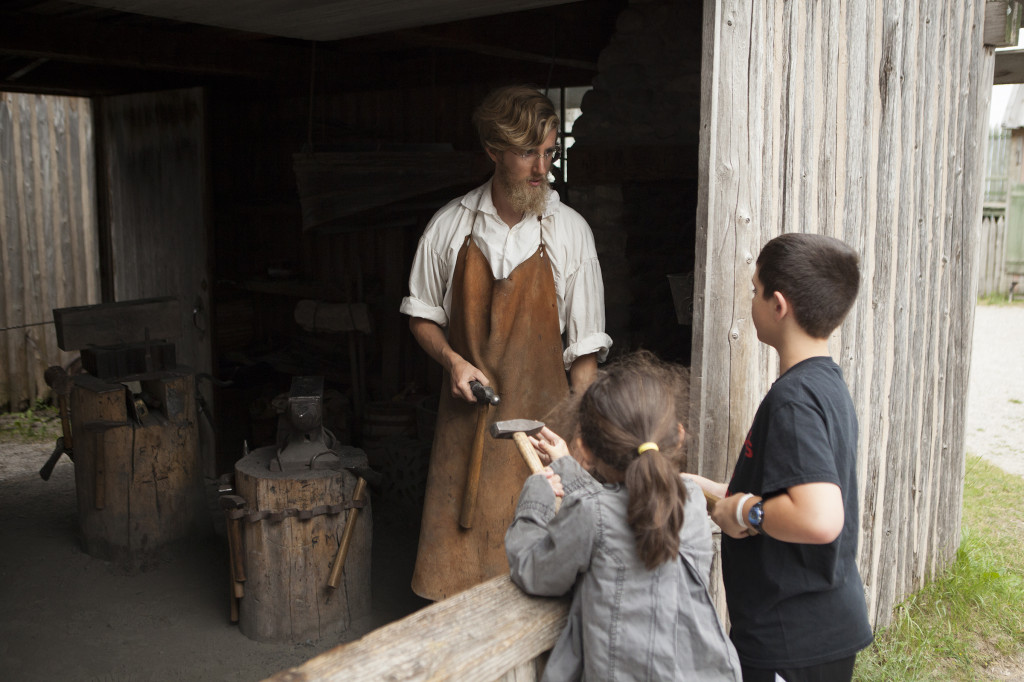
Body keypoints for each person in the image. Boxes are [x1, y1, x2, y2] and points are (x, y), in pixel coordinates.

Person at [400, 84, 612, 600]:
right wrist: (453, 361)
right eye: (527, 153)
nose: (542, 169)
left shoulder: (570, 233)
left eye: (549, 153)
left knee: (538, 585)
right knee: (455, 583)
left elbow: (584, 358)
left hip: (541, 438)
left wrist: (580, 447)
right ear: (493, 151)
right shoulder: (450, 226)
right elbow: (421, 316)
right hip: (463, 431)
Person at [684, 233, 873, 682]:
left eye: (755, 290)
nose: (751, 300)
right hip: (815, 630)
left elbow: (819, 517)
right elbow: (791, 491)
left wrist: (746, 511)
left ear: (778, 305)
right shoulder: (825, 384)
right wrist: (710, 492)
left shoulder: (795, 400)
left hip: (791, 641)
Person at [505, 351, 742, 681]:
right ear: (678, 435)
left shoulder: (591, 514)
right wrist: (567, 469)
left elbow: (534, 570)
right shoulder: (690, 501)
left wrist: (534, 501)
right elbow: (622, 508)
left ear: (585, 449)